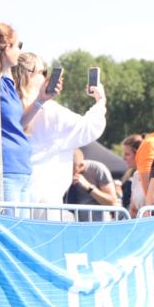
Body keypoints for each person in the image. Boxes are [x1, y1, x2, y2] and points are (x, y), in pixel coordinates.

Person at [13, 52, 105, 220]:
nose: (47, 77)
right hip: (46, 200)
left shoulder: (10, 107)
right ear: (29, 74)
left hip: (18, 196)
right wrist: (100, 100)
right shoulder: (50, 112)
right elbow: (89, 128)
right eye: (43, 72)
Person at [0, 23, 59, 210]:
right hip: (5, 170)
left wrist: (41, 99)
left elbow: (17, 123)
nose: (20, 51)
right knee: (9, 232)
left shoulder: (7, 83)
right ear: (6, 48)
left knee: (20, 231)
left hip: (21, 169)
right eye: (18, 45)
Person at [65, 149, 119, 221]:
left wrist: (88, 187)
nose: (70, 173)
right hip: (75, 225)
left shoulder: (98, 169)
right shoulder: (64, 172)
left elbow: (112, 202)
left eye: (72, 170)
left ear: (81, 165)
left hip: (98, 225)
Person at [120, 134, 145, 217]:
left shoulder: (153, 175)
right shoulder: (135, 175)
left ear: (138, 154)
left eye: (127, 154)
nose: (124, 158)